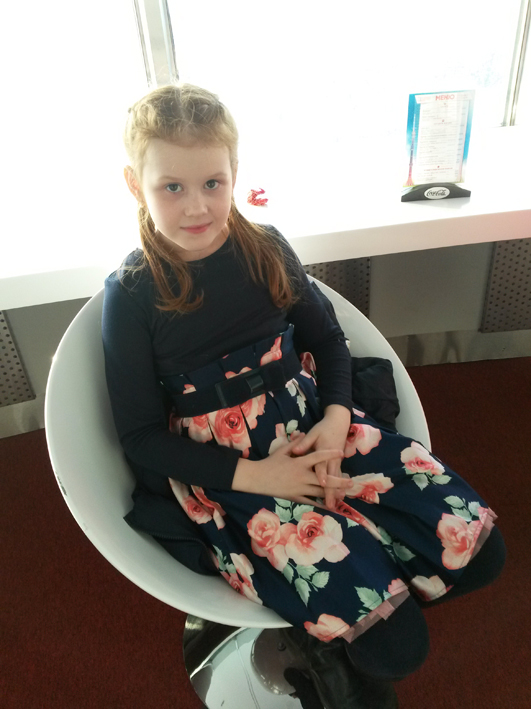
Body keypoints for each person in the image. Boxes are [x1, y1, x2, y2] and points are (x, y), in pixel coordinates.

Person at [102, 83, 505, 709]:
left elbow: (329, 341)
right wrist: (262, 477)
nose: (197, 207)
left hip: (320, 426)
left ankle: (361, 594)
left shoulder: (264, 246)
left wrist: (337, 419)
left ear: (235, 173)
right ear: (135, 184)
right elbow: (140, 438)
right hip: (239, 474)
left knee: (484, 556)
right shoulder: (132, 293)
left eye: (213, 183)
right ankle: (333, 635)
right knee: (397, 652)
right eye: (171, 187)